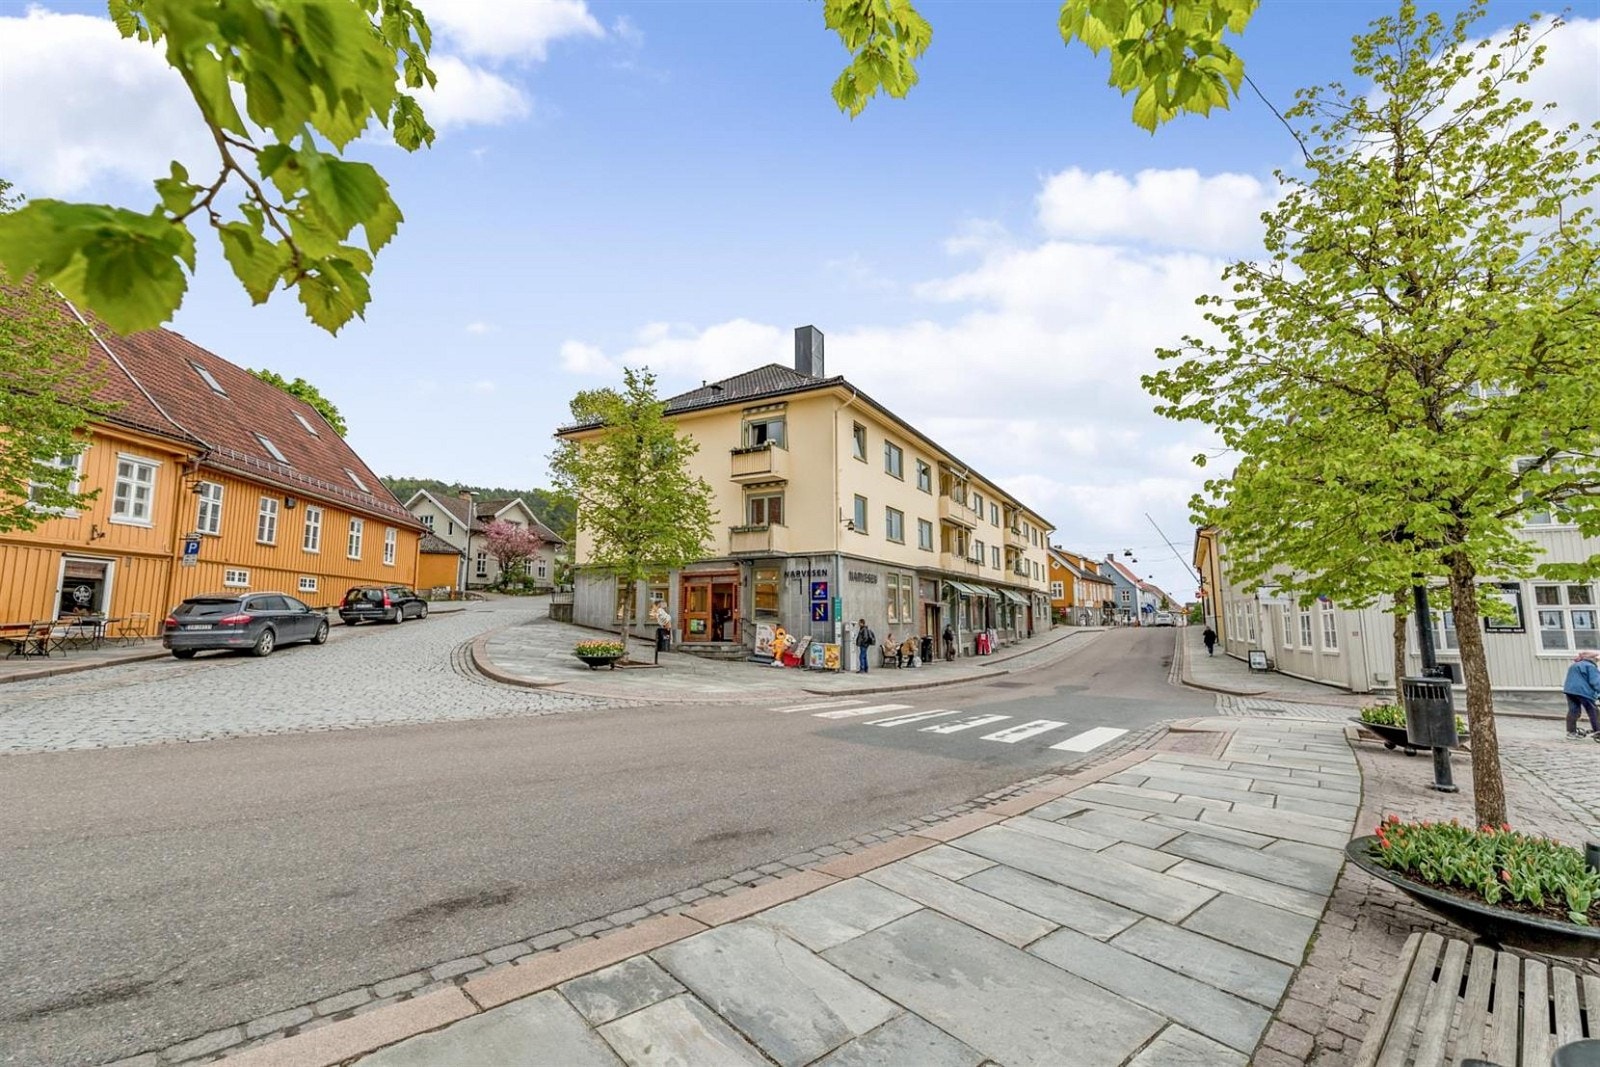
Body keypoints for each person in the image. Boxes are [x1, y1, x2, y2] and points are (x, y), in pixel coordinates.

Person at [1563, 649, 1600, 740]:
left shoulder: (1575, 665)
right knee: (1593, 710)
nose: (1598, 661)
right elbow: (1596, 682)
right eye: (1597, 659)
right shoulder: (1590, 666)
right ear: (1593, 658)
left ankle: (1571, 732)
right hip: (1583, 691)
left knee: (1573, 710)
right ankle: (1598, 731)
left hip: (1570, 690)